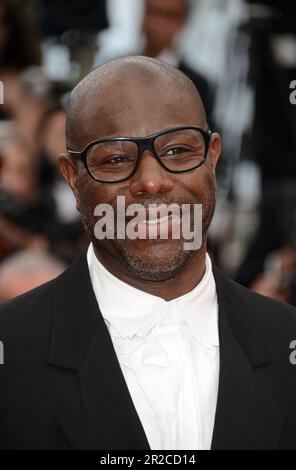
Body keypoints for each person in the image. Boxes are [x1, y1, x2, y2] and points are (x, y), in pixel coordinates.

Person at [0, 56, 295, 450]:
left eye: (177, 151)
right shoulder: (13, 351)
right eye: (117, 159)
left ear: (212, 156)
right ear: (73, 178)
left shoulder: (285, 339)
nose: (152, 182)